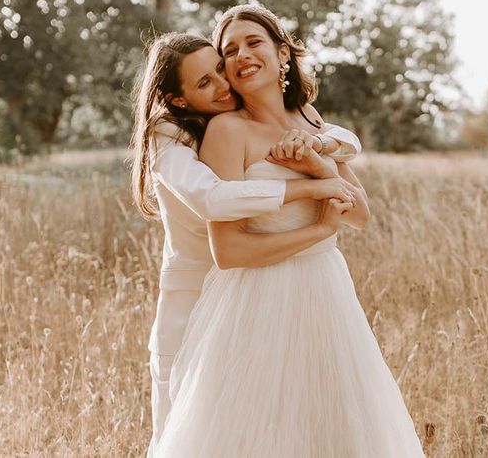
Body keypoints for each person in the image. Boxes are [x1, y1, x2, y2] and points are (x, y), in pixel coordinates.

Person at [155, 6, 425, 457]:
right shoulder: (225, 130)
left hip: (327, 294)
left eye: (254, 42)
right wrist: (320, 227)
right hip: (256, 301)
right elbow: (229, 250)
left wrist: (318, 164)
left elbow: (359, 216)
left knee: (336, 429)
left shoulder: (311, 120)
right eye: (229, 52)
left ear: (283, 53)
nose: (241, 56)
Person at [129, 32, 363, 457]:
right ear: (178, 99)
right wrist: (312, 193)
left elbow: (341, 139)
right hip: (198, 295)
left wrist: (323, 146)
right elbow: (214, 199)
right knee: (187, 426)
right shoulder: (168, 134)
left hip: (266, 291)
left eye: (219, 69)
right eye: (204, 83)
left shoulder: (278, 117)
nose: (223, 84)